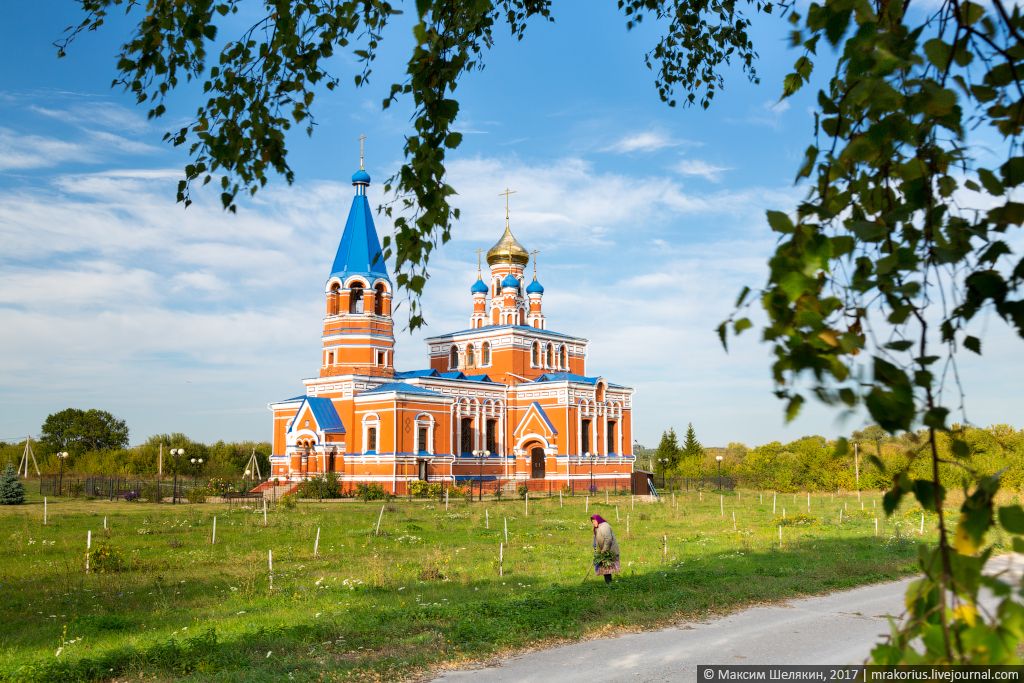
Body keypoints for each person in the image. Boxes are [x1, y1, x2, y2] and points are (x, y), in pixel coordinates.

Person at [591, 514, 620, 584]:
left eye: (594, 521)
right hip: (603, 550)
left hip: (609, 550)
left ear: (598, 520)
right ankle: (609, 583)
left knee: (607, 567)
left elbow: (608, 539)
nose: (593, 523)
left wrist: (604, 550)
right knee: (605, 567)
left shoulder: (604, 526)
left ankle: (609, 583)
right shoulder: (598, 527)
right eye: (592, 522)